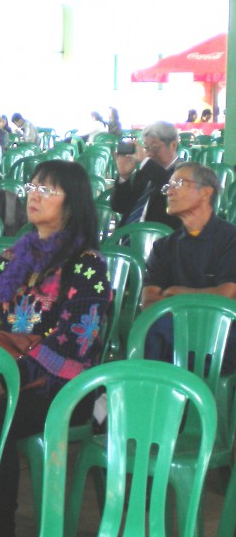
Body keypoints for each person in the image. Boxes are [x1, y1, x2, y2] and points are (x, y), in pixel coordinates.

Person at [0, 160, 111, 537]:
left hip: (63, 389)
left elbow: (73, 345)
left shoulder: (87, 264)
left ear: (73, 202)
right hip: (3, 373)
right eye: (34, 186)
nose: (35, 195)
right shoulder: (12, 256)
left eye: (49, 190)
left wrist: (7, 378)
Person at [141, 162, 236, 371]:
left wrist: (177, 293)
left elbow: (227, 295)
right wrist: (195, 299)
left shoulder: (230, 238)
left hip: (223, 335)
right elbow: (148, 301)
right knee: (152, 327)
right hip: (174, 333)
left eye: (179, 183)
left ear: (206, 192)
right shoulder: (163, 246)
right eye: (168, 187)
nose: (169, 192)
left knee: (160, 332)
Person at [110, 120, 181, 229]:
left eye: (155, 148)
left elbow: (167, 184)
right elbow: (119, 206)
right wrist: (124, 176)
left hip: (156, 239)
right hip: (125, 236)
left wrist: (145, 162)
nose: (150, 154)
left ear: (173, 145)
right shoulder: (145, 172)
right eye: (147, 149)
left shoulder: (184, 172)